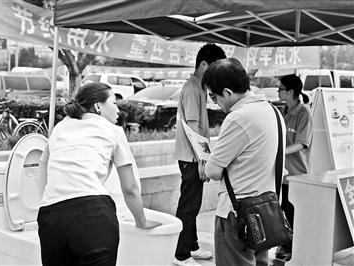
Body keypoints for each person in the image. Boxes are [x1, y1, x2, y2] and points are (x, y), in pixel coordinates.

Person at [37, 82, 160, 266]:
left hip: (50, 216)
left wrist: (47, 200)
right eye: (114, 102)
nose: (118, 109)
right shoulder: (113, 131)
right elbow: (130, 188)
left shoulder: (60, 127)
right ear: (98, 106)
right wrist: (141, 221)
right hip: (92, 217)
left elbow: (43, 164)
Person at [201, 58, 286, 266]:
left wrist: (206, 160)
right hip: (266, 211)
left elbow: (212, 171)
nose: (214, 103)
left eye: (213, 96)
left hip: (236, 214)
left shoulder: (238, 118)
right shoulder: (273, 112)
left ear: (228, 93)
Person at [173, 43, 226, 266]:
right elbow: (193, 129)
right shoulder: (193, 89)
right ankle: (180, 254)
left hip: (192, 156)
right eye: (214, 68)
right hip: (192, 158)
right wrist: (204, 161)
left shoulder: (198, 87)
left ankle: (191, 246)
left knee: (192, 204)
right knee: (189, 205)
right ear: (204, 64)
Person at [275, 74, 313, 261]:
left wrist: (280, 151)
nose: (278, 91)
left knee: (292, 211)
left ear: (291, 92)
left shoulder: (304, 114)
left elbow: (302, 143)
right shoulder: (282, 111)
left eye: (280, 89)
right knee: (282, 210)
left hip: (297, 174)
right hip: (282, 173)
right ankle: (284, 245)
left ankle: (290, 247)